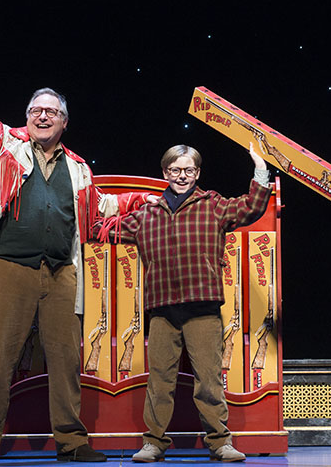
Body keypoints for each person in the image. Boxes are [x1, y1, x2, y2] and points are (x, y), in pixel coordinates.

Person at [0, 62, 152, 466]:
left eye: (52, 112)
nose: (43, 116)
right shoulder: (3, 143)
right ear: (27, 117)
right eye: (36, 111)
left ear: (64, 122)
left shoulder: (78, 168)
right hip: (10, 268)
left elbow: (101, 209)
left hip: (62, 273)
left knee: (65, 358)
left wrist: (149, 202)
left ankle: (72, 441)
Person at [96, 144, 270, 463]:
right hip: (163, 309)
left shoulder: (212, 205)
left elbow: (252, 207)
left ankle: (219, 442)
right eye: (175, 170)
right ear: (165, 173)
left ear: (198, 173)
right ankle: (154, 442)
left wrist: (260, 168)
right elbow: (100, 229)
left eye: (189, 170)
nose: (182, 176)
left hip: (202, 307)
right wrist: (126, 201)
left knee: (209, 379)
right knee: (160, 380)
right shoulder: (147, 213)